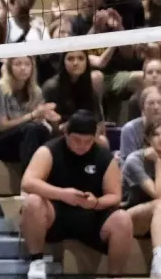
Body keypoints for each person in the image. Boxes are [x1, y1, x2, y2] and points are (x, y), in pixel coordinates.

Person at [18, 110, 133, 279]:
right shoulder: (49, 150)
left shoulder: (103, 156)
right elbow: (28, 183)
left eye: (87, 141)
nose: (81, 145)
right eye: (76, 140)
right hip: (55, 213)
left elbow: (115, 196)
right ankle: (36, 261)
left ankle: (115, 275)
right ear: (66, 134)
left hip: (91, 215)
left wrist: (96, 203)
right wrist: (63, 194)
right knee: (33, 202)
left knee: (123, 218)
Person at [121, 117, 161, 278]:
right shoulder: (134, 161)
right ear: (147, 139)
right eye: (156, 135)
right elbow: (158, 194)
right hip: (128, 217)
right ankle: (158, 265)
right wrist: (158, 163)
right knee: (160, 205)